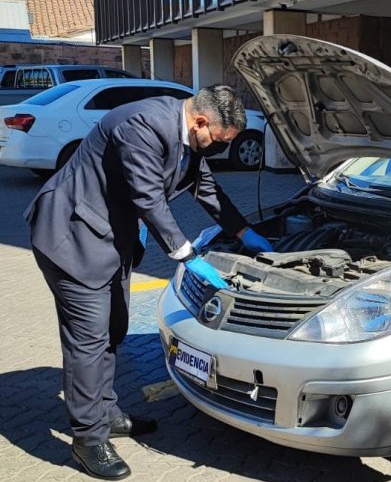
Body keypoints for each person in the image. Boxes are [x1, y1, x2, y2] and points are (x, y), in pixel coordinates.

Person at [24, 84, 273, 480]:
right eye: (217, 142)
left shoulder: (189, 136)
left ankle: (105, 411)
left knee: (114, 327)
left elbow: (206, 189)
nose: (216, 151)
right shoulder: (141, 124)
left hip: (111, 240)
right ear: (201, 122)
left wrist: (244, 233)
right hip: (72, 237)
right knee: (88, 341)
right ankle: (88, 439)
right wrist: (186, 255)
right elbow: (149, 199)